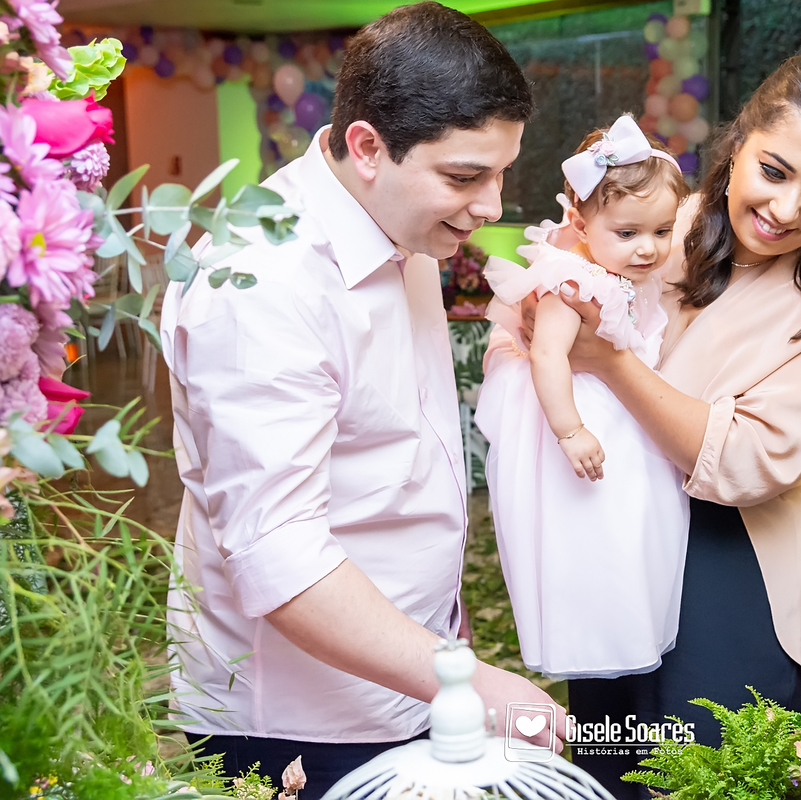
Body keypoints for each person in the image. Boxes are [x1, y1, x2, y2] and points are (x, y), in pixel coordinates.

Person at [159, 4, 564, 795]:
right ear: (369, 147)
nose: (491, 205)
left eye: (500, 173)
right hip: (301, 720)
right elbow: (280, 554)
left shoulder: (399, 223)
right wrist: (472, 680)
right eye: (465, 177)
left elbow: (397, 458)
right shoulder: (264, 280)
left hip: (409, 675)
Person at [544, 52, 801, 797]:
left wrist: (610, 363)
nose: (787, 209)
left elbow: (747, 460)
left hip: (729, 566)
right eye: (774, 172)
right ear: (739, 142)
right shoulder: (668, 223)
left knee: (701, 771)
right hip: (616, 542)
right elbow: (559, 297)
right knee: (608, 761)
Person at [475, 116, 691, 685]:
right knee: (595, 529)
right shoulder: (573, 283)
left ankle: (633, 620)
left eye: (662, 231)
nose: (648, 248)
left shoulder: (622, 270)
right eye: (628, 233)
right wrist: (570, 431)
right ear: (580, 223)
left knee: (640, 525)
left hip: (625, 414)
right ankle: (596, 632)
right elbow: (547, 356)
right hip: (583, 413)